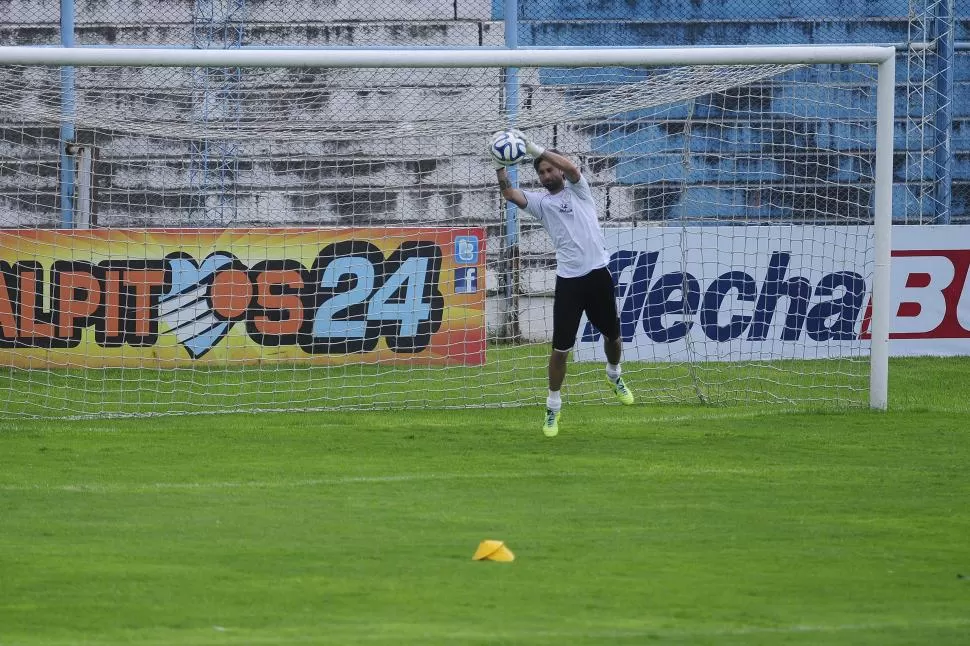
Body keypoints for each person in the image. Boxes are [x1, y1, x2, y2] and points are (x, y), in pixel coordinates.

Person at [490, 129, 635, 438]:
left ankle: (614, 373)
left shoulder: (579, 189)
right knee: (560, 350)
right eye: (541, 172)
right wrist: (498, 164)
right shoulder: (541, 203)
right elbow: (509, 194)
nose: (546, 174)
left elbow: (572, 169)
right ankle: (553, 408)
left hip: (598, 275)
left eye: (548, 169)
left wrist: (532, 148)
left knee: (613, 335)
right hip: (569, 282)